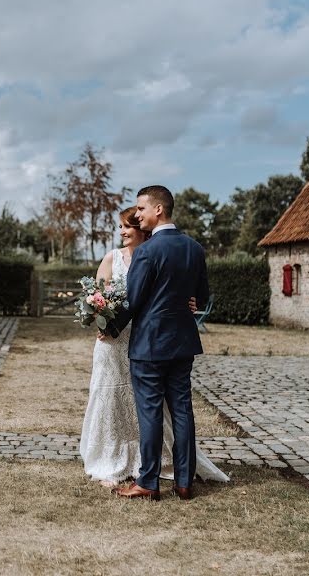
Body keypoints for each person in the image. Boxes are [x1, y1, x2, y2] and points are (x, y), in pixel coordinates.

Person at [98, 187, 227, 501]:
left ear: (159, 209)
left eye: (141, 208)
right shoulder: (194, 248)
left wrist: (110, 328)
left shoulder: (147, 251)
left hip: (149, 345)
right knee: (182, 411)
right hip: (183, 342)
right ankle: (184, 482)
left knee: (151, 413)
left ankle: (149, 482)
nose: (138, 214)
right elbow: (203, 296)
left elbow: (135, 300)